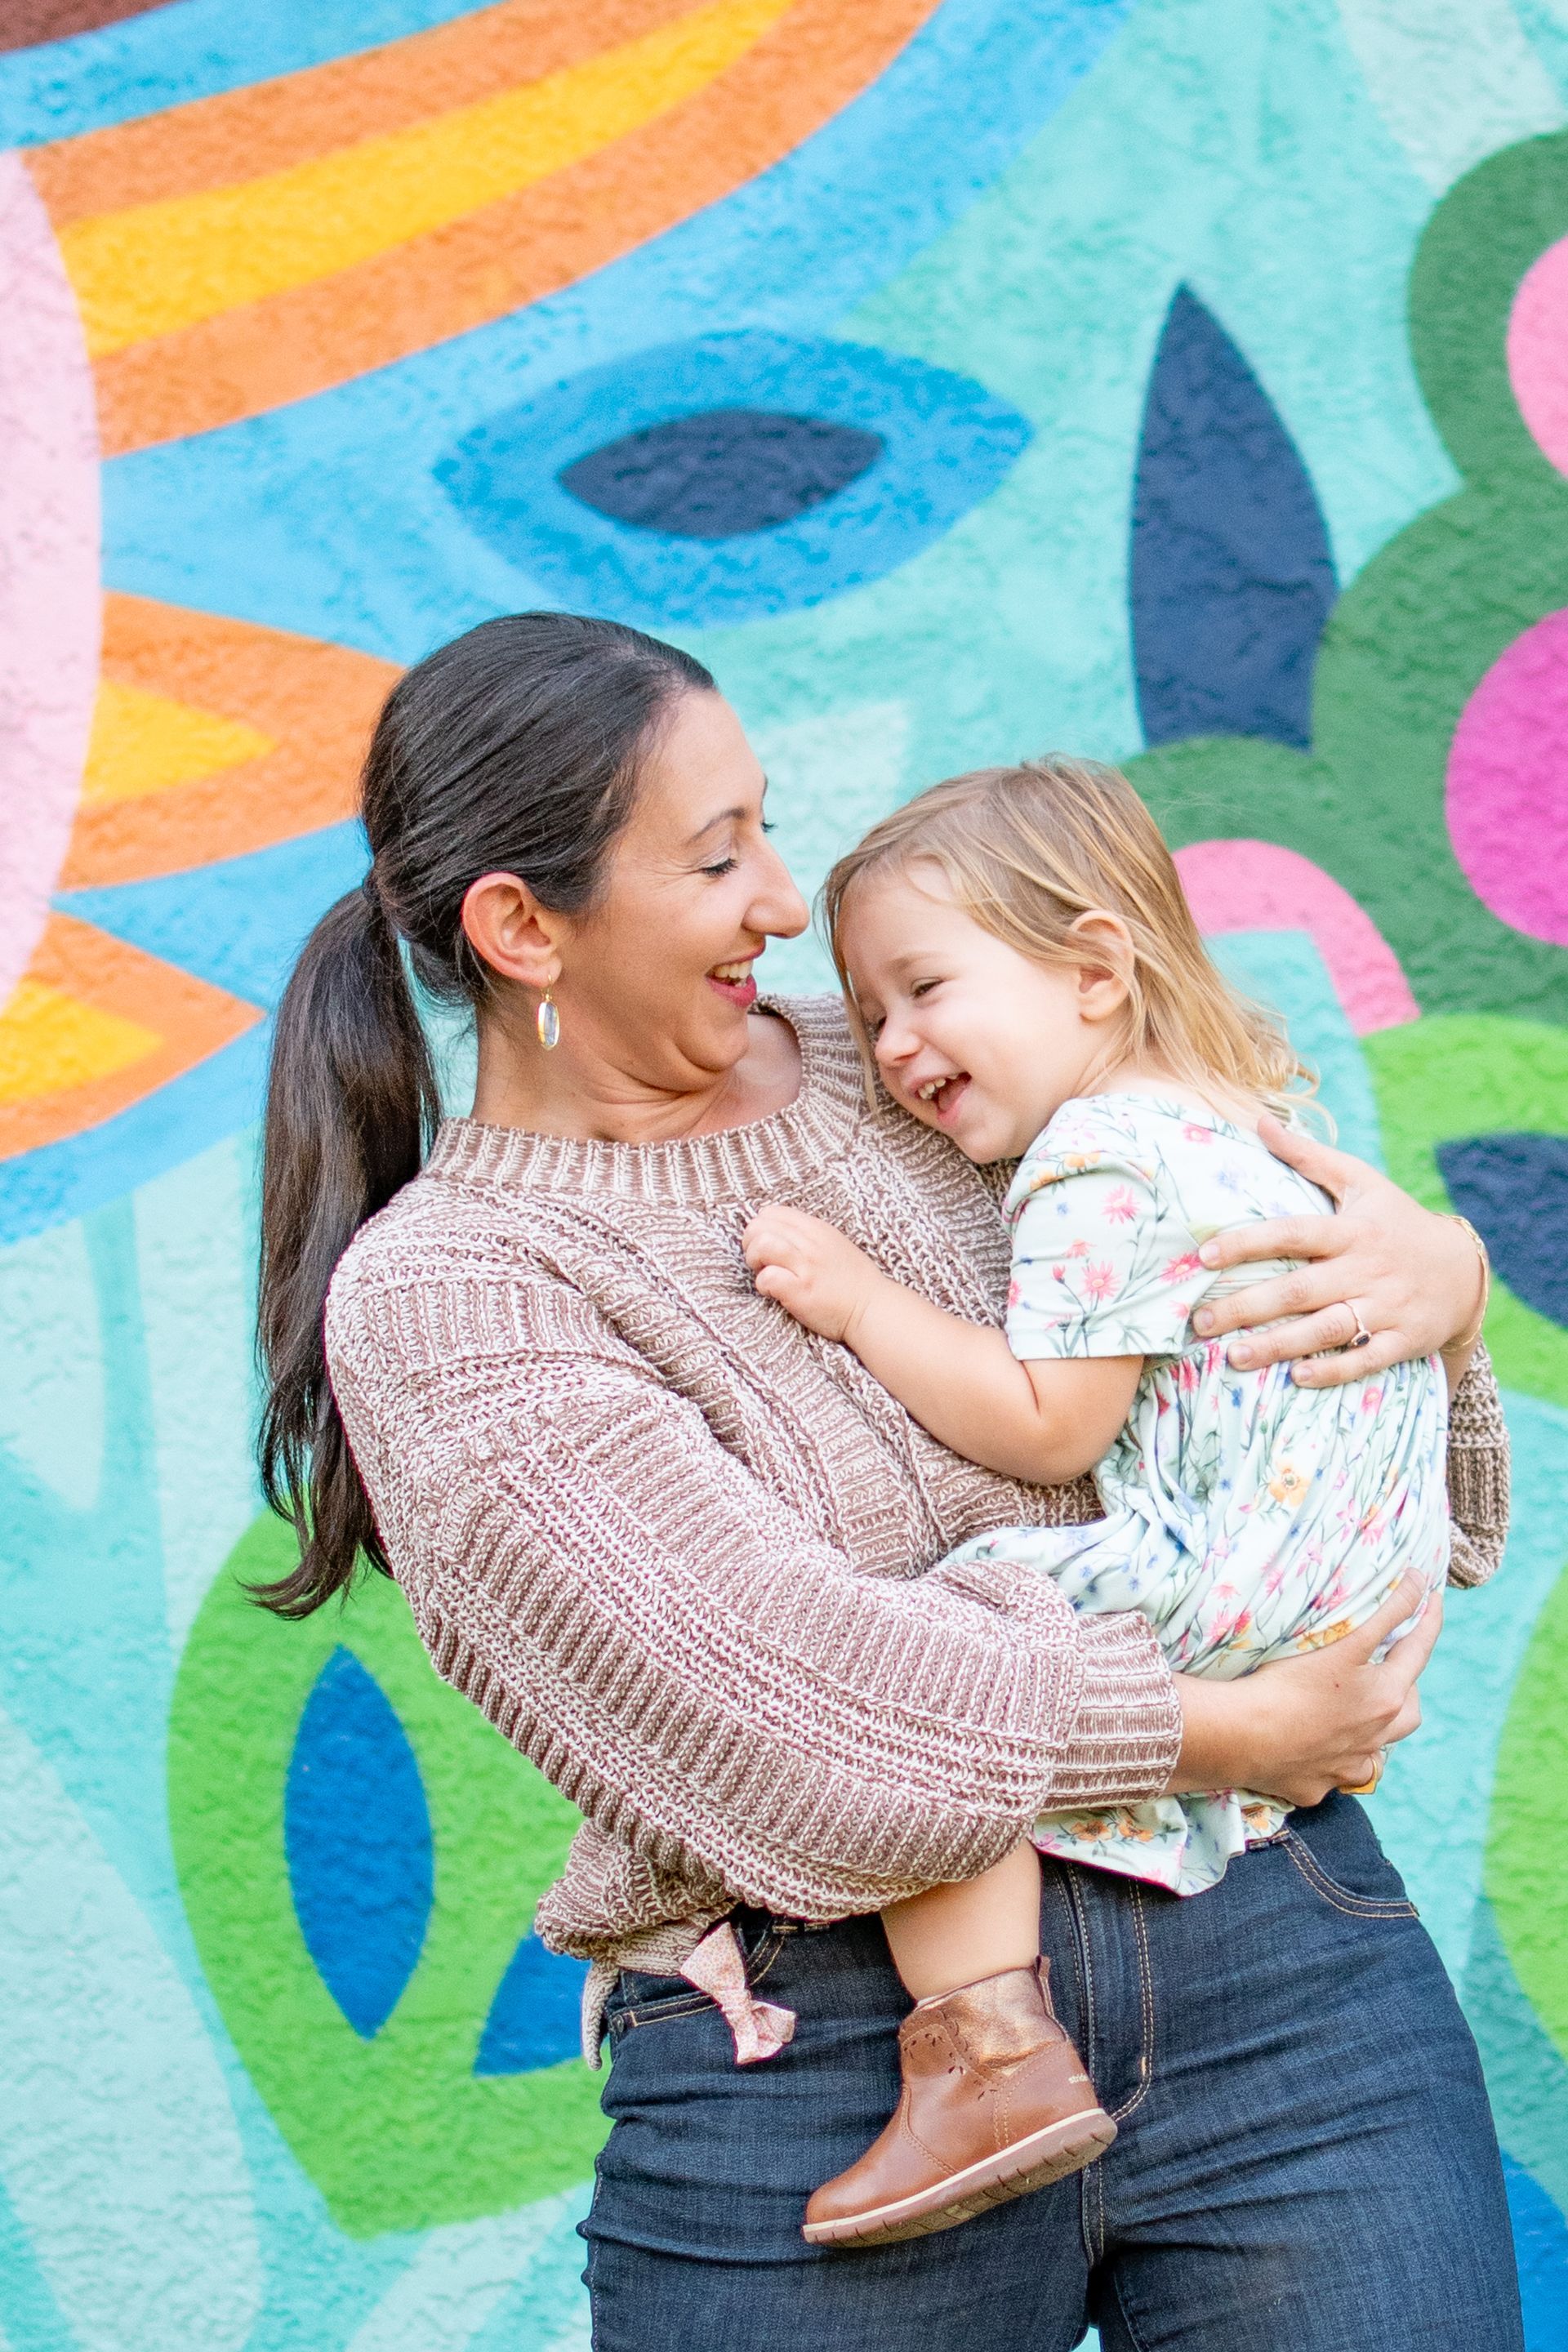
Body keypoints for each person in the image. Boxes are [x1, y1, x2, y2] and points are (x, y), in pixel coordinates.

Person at [256, 613, 1519, 2350]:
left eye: (764, 826)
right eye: (717, 856)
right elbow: (795, 1704)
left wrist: (1434, 1285)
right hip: (827, 2049)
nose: (783, 899)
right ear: (521, 926)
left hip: (1277, 1967)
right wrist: (1216, 1730)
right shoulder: (453, 1297)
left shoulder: (921, 1055)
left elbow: (1236, 1266)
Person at [742, 757, 1463, 2250]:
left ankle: (981, 2051)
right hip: (1352, 1585)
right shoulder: (1234, 1121)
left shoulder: (1093, 1163)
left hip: (1234, 1571)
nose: (893, 1044)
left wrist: (863, 1304)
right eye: (871, 1011)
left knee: (954, 1642)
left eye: (927, 988)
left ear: (1091, 967)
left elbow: (1046, 1417)